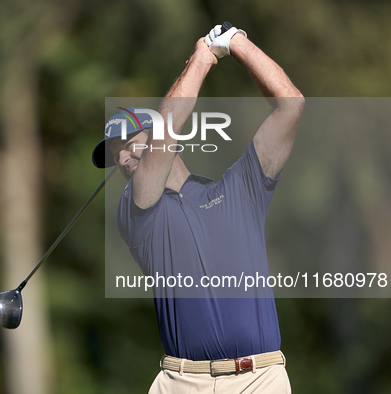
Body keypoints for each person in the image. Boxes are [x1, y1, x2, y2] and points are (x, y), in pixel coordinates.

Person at [92, 24, 304, 393]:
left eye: (129, 142)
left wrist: (236, 43)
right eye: (116, 154)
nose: (124, 157)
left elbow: (291, 105)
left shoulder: (240, 189)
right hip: (182, 382)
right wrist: (202, 56)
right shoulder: (137, 212)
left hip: (261, 379)